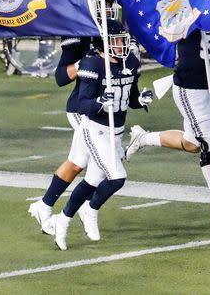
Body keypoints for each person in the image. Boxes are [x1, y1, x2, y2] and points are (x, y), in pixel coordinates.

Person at [125, 19, 210, 220]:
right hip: (190, 87)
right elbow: (170, 33)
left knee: (193, 143)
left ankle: (142, 138)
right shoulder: (196, 12)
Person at [45, 20, 151, 250]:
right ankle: (90, 209)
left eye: (124, 40)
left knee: (92, 180)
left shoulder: (130, 62)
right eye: (118, 41)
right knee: (117, 177)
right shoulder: (93, 64)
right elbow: (82, 104)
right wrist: (100, 102)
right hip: (95, 129)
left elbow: (130, 96)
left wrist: (140, 100)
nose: (123, 45)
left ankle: (61, 221)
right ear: (104, 43)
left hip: (116, 132)